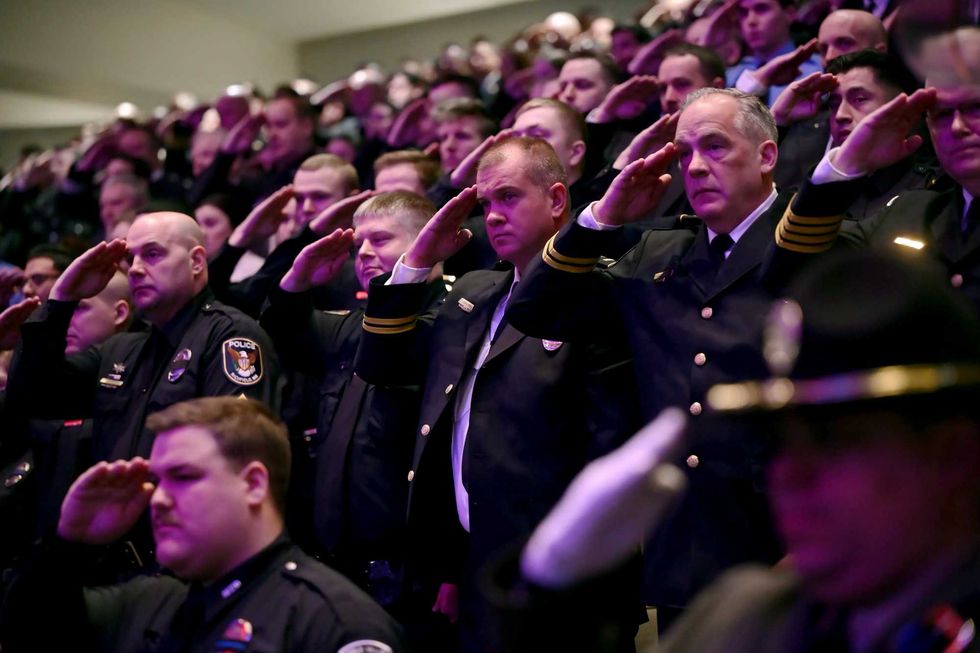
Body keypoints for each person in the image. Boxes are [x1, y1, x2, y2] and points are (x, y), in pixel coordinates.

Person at [498, 250, 980, 653]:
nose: (790, 476)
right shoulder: (744, 617)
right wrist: (551, 594)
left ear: (955, 455)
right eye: (780, 442)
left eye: (834, 441)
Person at [507, 88, 844, 629]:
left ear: (766, 156)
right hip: (686, 552)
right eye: (684, 154)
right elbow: (537, 310)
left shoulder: (817, 244)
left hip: (788, 540)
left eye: (714, 146)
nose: (696, 167)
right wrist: (603, 217)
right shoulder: (658, 254)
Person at [355, 137, 639, 652]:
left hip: (568, 577)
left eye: (508, 197)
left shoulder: (599, 292)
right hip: (477, 569)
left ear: (556, 201)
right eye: (485, 205)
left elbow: (610, 444)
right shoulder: (473, 294)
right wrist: (420, 255)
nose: (493, 216)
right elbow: (384, 364)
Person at [0, 396, 406, 652]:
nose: (157, 498)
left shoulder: (332, 622)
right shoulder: (150, 602)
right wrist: (69, 542)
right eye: (157, 481)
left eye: (185, 477)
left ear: (252, 484)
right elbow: (29, 630)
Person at [261, 192, 450, 604]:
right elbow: (276, 336)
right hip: (338, 563)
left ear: (429, 244)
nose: (363, 253)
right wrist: (297, 280)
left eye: (380, 240)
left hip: (413, 571)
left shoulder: (452, 321)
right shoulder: (352, 326)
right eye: (358, 244)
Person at [6, 211, 280, 466]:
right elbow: (32, 397)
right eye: (129, 258)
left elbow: (237, 450)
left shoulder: (230, 337)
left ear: (196, 262)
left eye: (152, 254)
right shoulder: (120, 350)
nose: (134, 269)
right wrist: (62, 299)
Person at [772, 49, 937, 214]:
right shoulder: (813, 175)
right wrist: (777, 119)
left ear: (903, 107)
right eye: (834, 104)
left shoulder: (928, 189)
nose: (840, 115)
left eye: (859, 99)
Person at [727, 0, 822, 107]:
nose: (750, 20)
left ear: (789, 13)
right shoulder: (732, 75)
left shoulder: (818, 68)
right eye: (743, 12)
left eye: (761, 9)